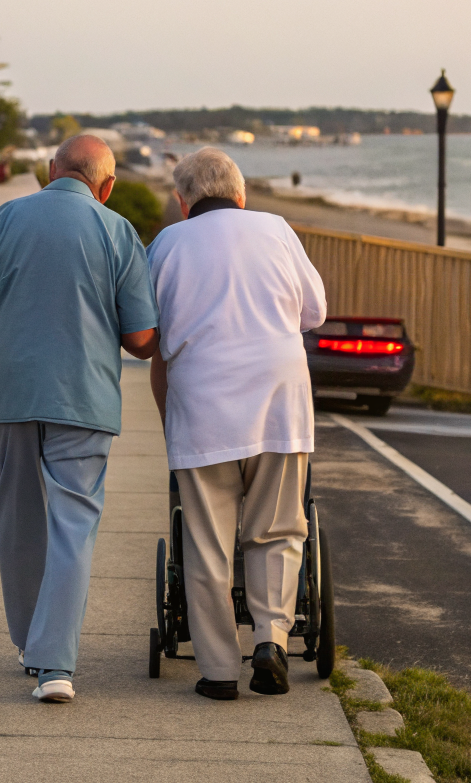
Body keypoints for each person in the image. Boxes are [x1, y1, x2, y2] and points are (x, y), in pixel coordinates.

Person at [0, 135, 160, 703]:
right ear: (106, 186)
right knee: (72, 527)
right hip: (83, 400)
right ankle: (54, 665)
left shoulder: (7, 218)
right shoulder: (117, 232)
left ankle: (27, 643)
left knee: (18, 519)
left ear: (49, 170)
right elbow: (140, 340)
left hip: (10, 396)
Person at [147, 147, 326, 701]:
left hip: (203, 408)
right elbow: (314, 312)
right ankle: (272, 639)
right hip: (278, 401)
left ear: (183, 202)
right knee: (276, 528)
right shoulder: (275, 229)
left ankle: (220, 670)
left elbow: (144, 334)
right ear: (241, 195)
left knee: (206, 543)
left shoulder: (167, 244)